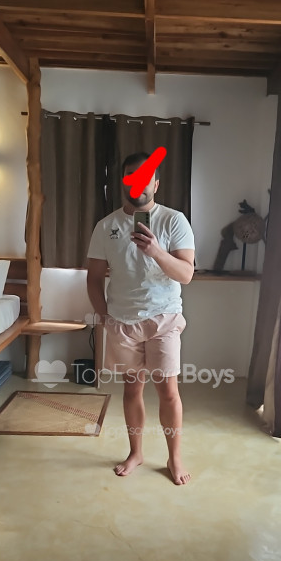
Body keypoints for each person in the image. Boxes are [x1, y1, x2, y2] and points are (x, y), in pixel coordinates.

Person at [86, 151, 195, 485]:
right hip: (123, 322)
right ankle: (136, 453)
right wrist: (105, 318)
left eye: (145, 176)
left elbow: (186, 274)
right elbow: (93, 278)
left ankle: (174, 458)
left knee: (168, 393)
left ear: (155, 184)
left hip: (164, 319)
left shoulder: (174, 221)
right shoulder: (106, 226)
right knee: (132, 391)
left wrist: (156, 251)